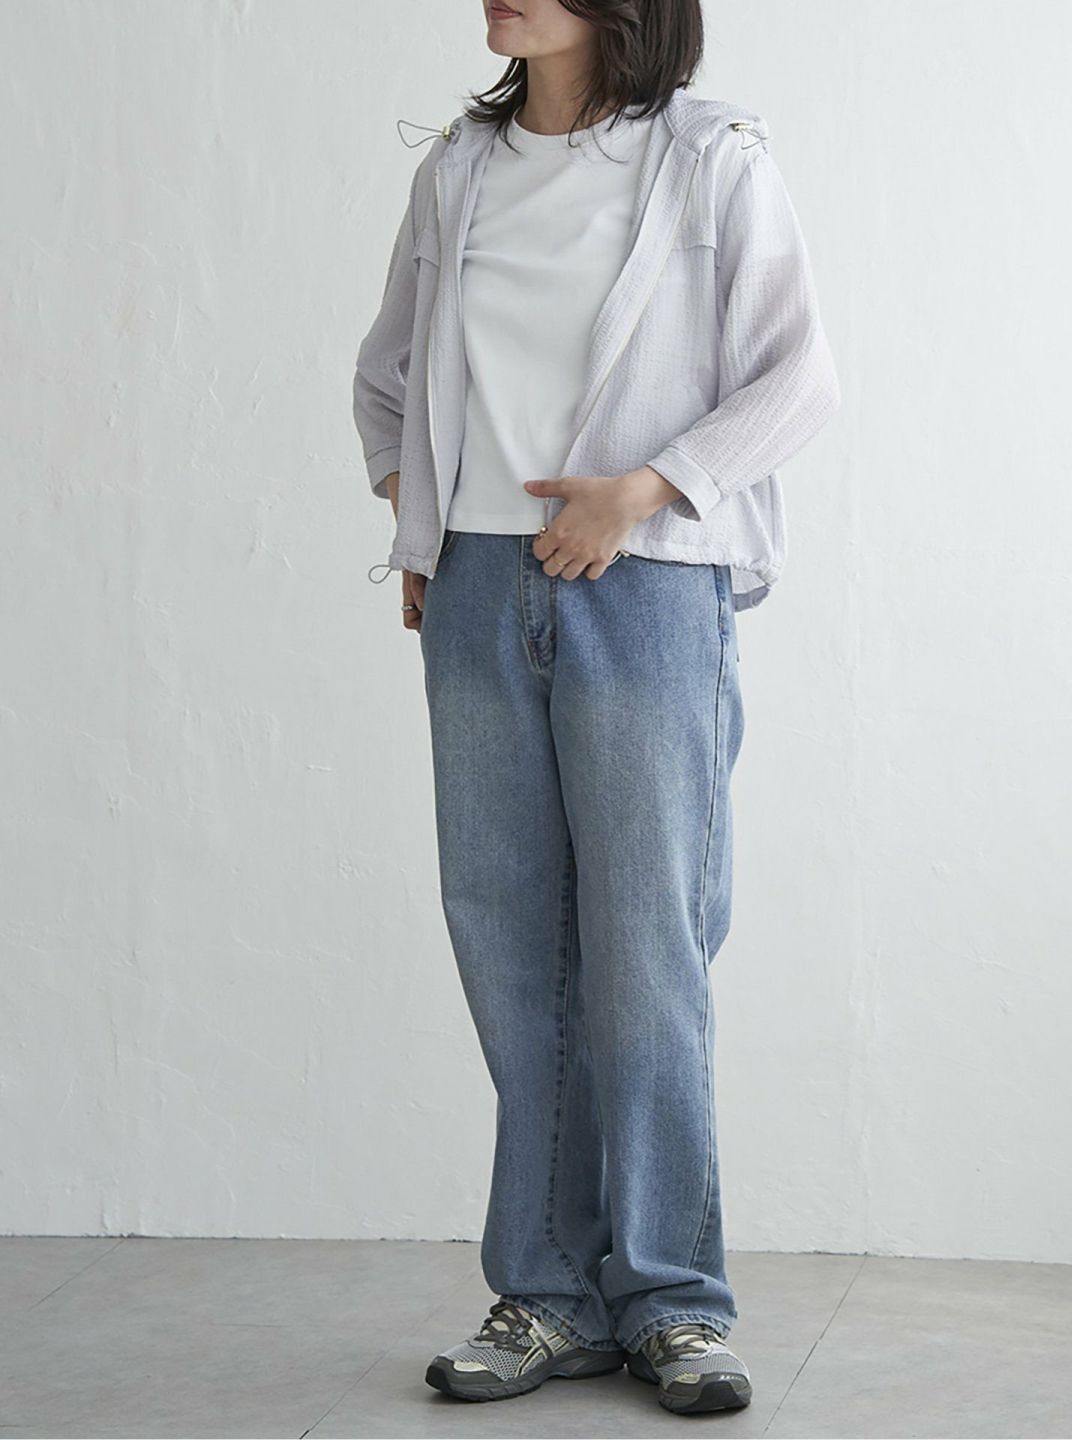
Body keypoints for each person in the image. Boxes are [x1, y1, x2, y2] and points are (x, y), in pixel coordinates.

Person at [352, 0, 839, 1416]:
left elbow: (798, 377)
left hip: (648, 582)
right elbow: (387, 377)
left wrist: (646, 491)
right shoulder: (459, 168)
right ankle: (550, 1296)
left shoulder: (712, 159)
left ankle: (676, 1300)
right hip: (477, 592)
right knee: (511, 948)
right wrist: (421, 517)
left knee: (647, 953)